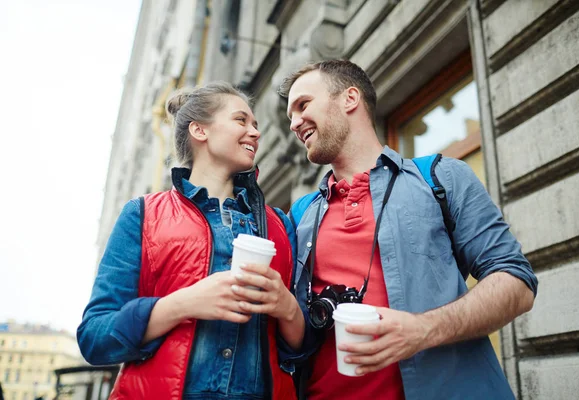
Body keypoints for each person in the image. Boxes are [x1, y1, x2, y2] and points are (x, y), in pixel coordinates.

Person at [278, 60, 538, 400]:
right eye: (290, 116)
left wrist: (421, 330)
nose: (295, 123)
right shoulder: (298, 215)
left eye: (303, 105)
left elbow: (517, 283)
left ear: (349, 98)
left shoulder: (442, 178)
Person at [77, 82, 304, 400]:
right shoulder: (143, 214)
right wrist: (183, 303)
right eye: (241, 120)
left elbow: (302, 349)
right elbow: (94, 337)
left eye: (255, 124)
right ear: (200, 130)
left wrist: (288, 308)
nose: (255, 132)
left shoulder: (280, 224)